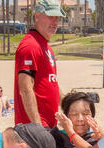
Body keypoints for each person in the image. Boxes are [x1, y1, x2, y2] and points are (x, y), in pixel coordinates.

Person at [14, 0, 65, 128]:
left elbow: (51, 82)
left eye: (57, 17)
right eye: (50, 16)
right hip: (35, 127)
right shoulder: (30, 46)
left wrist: (71, 104)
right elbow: (25, 90)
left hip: (49, 124)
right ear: (37, 16)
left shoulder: (45, 46)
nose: (55, 22)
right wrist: (38, 128)